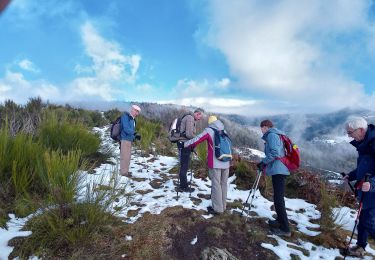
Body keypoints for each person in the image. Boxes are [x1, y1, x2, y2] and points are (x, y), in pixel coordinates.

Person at [184, 115, 230, 214]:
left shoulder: (209, 130)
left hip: (216, 162)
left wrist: (186, 144)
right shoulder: (224, 130)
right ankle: (223, 206)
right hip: (226, 161)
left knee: (216, 185)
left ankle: (218, 209)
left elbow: (197, 139)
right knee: (223, 184)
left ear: (210, 123)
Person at [343, 116, 375, 257]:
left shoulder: (373, 143)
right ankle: (360, 247)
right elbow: (364, 167)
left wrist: (372, 183)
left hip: (372, 191)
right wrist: (351, 175)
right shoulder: (364, 144)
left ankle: (361, 246)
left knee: (369, 221)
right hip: (366, 191)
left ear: (361, 130)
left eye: (350, 132)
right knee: (362, 219)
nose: (348, 136)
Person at [257, 119, 291, 237]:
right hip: (279, 169)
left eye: (261, 127)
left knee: (278, 199)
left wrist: (263, 162)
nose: (261, 130)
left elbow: (275, 152)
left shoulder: (271, 135)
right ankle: (280, 222)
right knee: (277, 198)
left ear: (265, 127)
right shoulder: (276, 134)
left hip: (279, 170)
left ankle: (285, 229)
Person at [176, 108, 203, 192]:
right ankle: (183, 186)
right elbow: (189, 134)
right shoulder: (190, 118)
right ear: (197, 114)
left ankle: (183, 184)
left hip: (183, 143)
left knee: (183, 165)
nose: (200, 119)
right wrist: (196, 139)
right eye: (200, 116)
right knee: (184, 165)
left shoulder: (189, 118)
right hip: (184, 144)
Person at [120, 104, 141, 177]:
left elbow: (130, 130)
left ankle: (126, 172)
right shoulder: (125, 117)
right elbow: (126, 128)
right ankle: (123, 173)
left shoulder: (132, 119)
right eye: (136, 111)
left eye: (138, 112)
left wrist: (135, 136)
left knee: (128, 157)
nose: (137, 113)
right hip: (125, 139)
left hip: (129, 140)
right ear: (132, 110)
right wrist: (135, 133)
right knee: (124, 157)